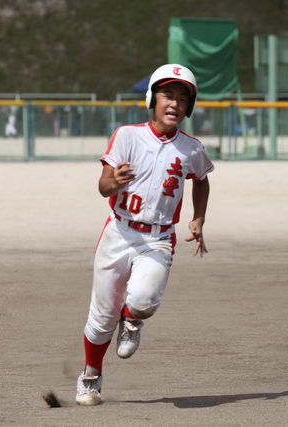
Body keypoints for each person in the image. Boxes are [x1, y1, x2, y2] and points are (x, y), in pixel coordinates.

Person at [76, 64, 214, 406]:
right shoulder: (127, 136)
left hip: (158, 238)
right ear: (153, 99)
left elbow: (201, 180)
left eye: (183, 98)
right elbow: (103, 186)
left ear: (189, 107)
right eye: (168, 95)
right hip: (119, 232)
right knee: (102, 316)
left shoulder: (191, 148)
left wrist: (198, 218)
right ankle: (90, 376)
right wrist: (114, 182)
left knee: (144, 300)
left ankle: (132, 319)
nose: (175, 103)